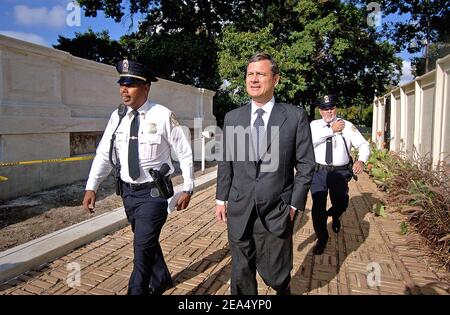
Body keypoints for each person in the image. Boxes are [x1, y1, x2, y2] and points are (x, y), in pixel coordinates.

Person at [82, 58, 194, 295]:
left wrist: (188, 187)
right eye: (122, 83)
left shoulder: (163, 115)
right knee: (147, 242)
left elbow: (184, 152)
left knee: (141, 250)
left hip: (154, 195)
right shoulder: (118, 116)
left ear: (146, 87)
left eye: (131, 84)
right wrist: (91, 186)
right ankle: (162, 278)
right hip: (128, 195)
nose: (124, 88)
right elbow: (104, 153)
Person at [215, 52, 316, 295]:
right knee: (241, 271)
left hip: (276, 209)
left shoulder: (294, 117)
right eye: (250, 74)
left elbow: (306, 165)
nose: (254, 79)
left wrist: (295, 205)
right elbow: (226, 161)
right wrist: (221, 198)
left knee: (276, 274)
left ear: (276, 80)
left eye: (260, 74)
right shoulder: (232, 117)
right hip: (239, 207)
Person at [309, 94, 370, 255]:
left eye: (331, 108)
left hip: (339, 173)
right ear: (320, 110)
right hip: (319, 172)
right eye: (325, 108)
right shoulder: (314, 126)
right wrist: (331, 130)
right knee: (317, 206)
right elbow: (307, 142)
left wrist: (361, 161)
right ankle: (322, 238)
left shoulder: (347, 126)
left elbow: (363, 145)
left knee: (341, 202)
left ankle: (335, 215)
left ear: (336, 108)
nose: (329, 111)